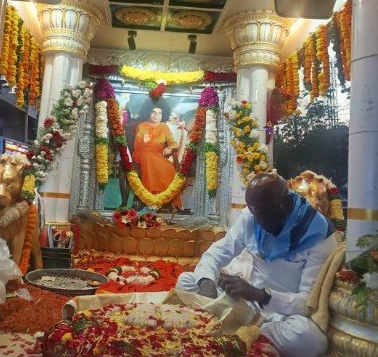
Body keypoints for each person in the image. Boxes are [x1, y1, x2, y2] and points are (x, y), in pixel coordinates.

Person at [176, 172, 336, 357]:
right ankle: (239, 326)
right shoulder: (252, 216)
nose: (256, 220)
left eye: (262, 213)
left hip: (283, 314)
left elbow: (307, 304)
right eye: (253, 212)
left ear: (285, 203)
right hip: (247, 304)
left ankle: (237, 328)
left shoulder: (318, 235)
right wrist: (207, 284)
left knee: (310, 339)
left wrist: (260, 295)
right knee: (186, 281)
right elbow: (216, 253)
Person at [132, 105, 181, 210]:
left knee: (168, 166)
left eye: (159, 113)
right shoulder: (142, 126)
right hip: (142, 152)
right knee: (148, 156)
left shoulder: (164, 127)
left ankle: (164, 198)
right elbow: (136, 145)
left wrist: (170, 148)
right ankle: (152, 194)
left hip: (157, 155)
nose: (156, 115)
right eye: (153, 112)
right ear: (148, 112)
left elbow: (173, 143)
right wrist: (145, 141)